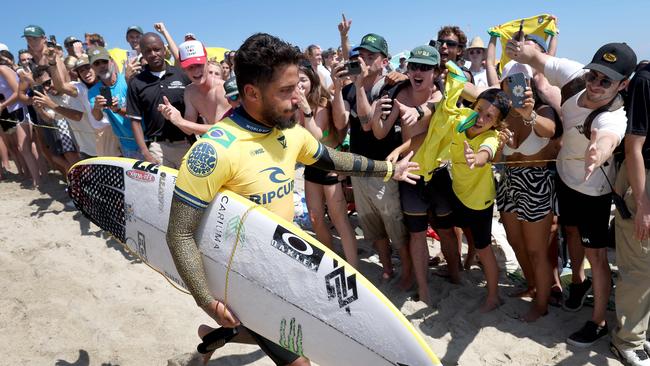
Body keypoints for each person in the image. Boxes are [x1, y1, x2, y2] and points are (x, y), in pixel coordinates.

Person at [166, 32, 419, 366]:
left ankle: (209, 341)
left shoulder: (290, 133)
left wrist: (388, 169)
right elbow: (179, 232)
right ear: (252, 93)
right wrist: (206, 299)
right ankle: (213, 332)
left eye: (297, 88)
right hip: (244, 277)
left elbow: (333, 160)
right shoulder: (214, 151)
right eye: (285, 91)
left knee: (276, 329)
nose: (297, 100)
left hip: (284, 264)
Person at [507, 40, 636, 347]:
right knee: (570, 232)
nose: (595, 84)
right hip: (566, 179)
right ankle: (578, 282)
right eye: (594, 75)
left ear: (623, 84)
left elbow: (607, 137)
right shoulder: (576, 77)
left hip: (594, 190)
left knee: (598, 256)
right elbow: (541, 60)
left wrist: (598, 151)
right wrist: (522, 53)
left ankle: (599, 321)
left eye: (606, 81)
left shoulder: (614, 116)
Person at [331, 32, 411, 286]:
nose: (364, 60)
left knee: (394, 225)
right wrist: (337, 87)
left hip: (385, 167)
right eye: (361, 55)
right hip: (359, 166)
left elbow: (367, 126)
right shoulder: (351, 89)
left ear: (384, 61)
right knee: (370, 225)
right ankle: (387, 268)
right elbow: (340, 122)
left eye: (371, 56)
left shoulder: (392, 87)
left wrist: (358, 86)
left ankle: (407, 272)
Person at [371, 45, 443, 304]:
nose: (417, 71)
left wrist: (420, 114)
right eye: (413, 66)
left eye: (425, 67)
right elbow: (380, 133)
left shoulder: (442, 94)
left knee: (447, 229)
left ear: (435, 71)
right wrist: (377, 113)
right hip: (410, 173)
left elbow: (435, 126)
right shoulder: (399, 94)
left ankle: (456, 274)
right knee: (417, 233)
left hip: (440, 171)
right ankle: (423, 289)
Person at [492, 61, 561, 322]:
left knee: (536, 250)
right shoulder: (503, 115)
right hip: (508, 180)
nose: (517, 85)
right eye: (511, 80)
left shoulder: (542, 110)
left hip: (536, 182)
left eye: (523, 79)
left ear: (530, 83)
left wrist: (529, 114)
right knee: (514, 240)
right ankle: (532, 285)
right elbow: (497, 158)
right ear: (503, 84)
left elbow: (550, 130)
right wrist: (499, 143)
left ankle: (541, 303)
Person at [295, 61, 359, 267]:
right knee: (315, 218)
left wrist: (305, 110)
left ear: (312, 81)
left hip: (330, 166)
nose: (299, 84)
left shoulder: (322, 103)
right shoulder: (294, 103)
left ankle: (355, 269)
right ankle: (331, 261)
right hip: (312, 167)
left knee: (339, 219)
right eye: (295, 80)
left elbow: (316, 137)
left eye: (302, 79)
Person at [610, 61, 650, 365]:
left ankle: (641, 332)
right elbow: (634, 145)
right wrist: (643, 206)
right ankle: (628, 341)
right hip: (643, 180)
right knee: (640, 265)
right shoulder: (645, 81)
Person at [126, 33, 192, 168]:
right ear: (142, 54)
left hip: (187, 145)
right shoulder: (136, 83)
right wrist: (145, 153)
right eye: (148, 51)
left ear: (164, 50)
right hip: (157, 149)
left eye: (157, 49)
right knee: (162, 190)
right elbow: (135, 121)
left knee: (190, 189)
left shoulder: (182, 75)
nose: (153, 54)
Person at [157, 39, 231, 135]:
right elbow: (188, 130)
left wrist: (181, 121)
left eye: (199, 65)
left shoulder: (222, 89)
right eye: (190, 67)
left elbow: (221, 130)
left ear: (207, 63)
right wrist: (173, 117)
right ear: (184, 70)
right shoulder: (190, 91)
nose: (196, 71)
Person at [87, 46, 139, 158]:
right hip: (127, 145)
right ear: (92, 67)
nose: (101, 66)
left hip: (146, 138)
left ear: (111, 61)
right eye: (96, 63)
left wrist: (118, 110)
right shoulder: (93, 92)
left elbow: (138, 111)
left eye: (104, 61)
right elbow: (98, 117)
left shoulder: (127, 79)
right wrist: (96, 107)